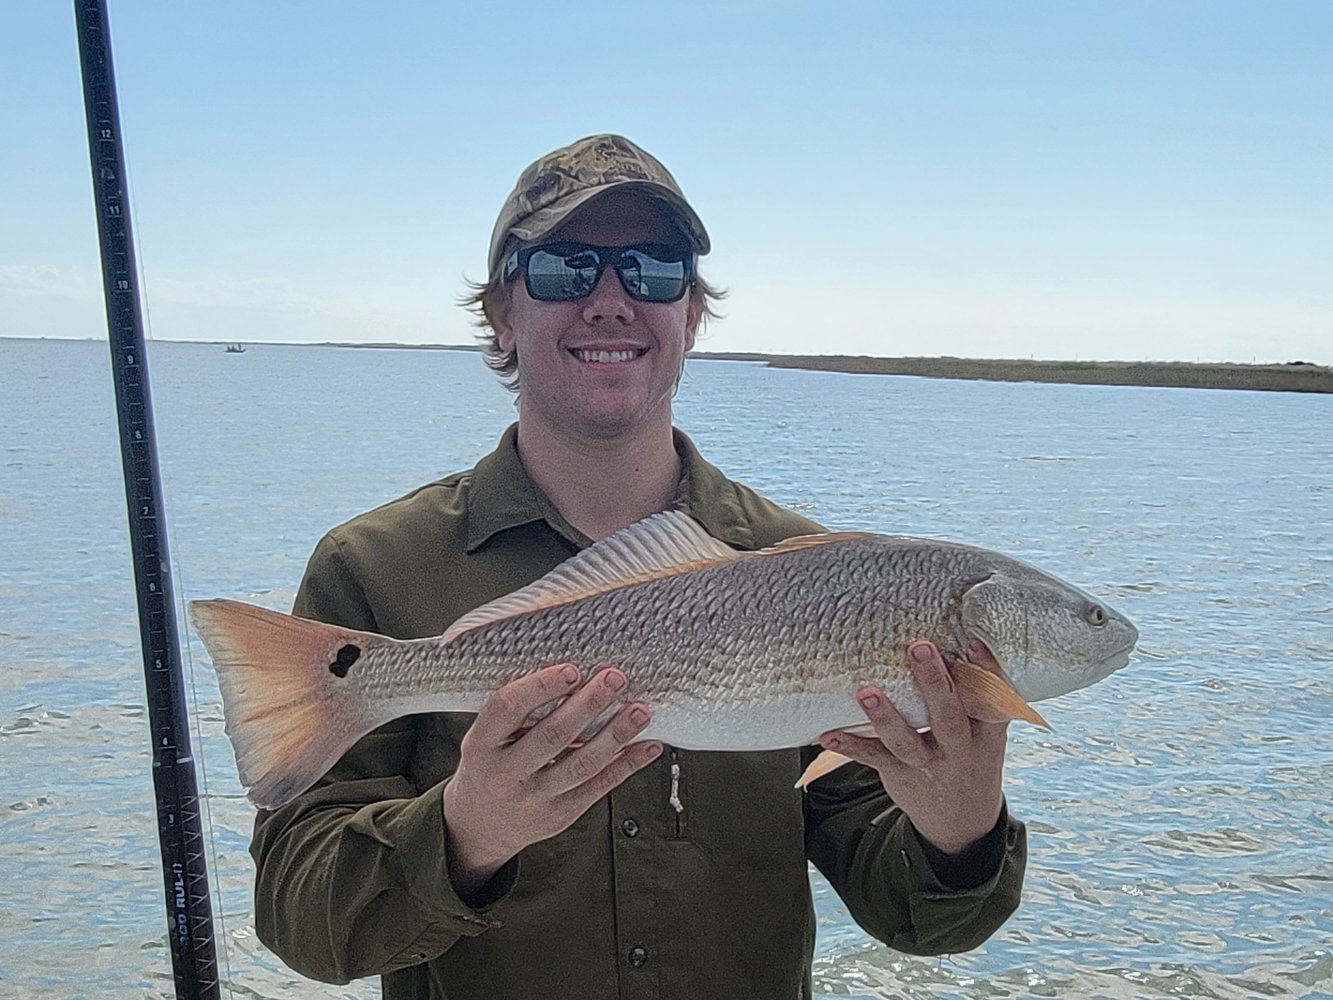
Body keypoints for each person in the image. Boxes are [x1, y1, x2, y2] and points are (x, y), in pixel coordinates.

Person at [251, 134, 1027, 1000]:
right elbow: (302, 925)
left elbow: (925, 923)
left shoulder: (818, 575)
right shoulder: (375, 568)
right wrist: (467, 830)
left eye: (654, 269)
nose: (612, 300)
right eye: (563, 269)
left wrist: (961, 825)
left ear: (691, 314)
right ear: (501, 313)